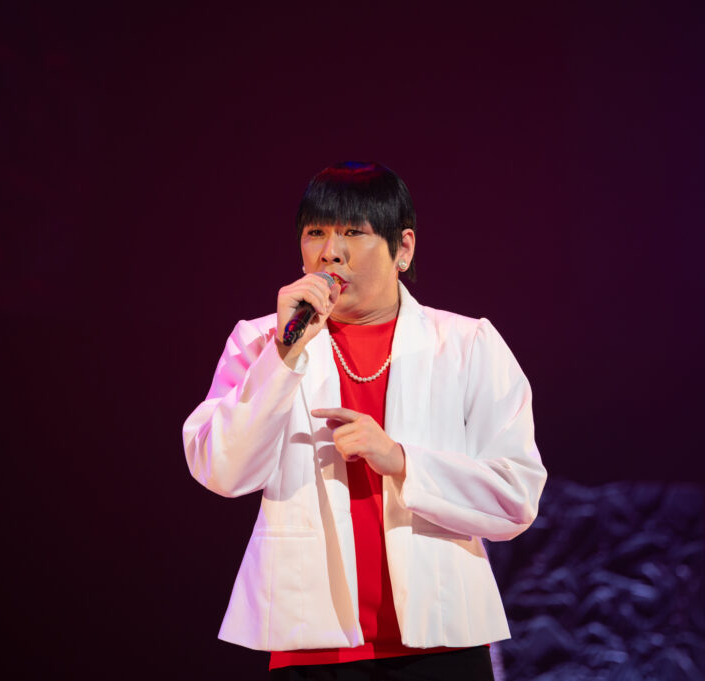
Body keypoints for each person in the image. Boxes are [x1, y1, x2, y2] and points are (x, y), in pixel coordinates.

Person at [183, 162, 546, 680]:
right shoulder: (261, 342)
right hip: (312, 649)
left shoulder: (467, 345)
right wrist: (284, 356)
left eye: (353, 232)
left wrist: (401, 461)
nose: (331, 251)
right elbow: (222, 470)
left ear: (404, 248)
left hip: (443, 644)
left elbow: (516, 496)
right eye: (316, 233)